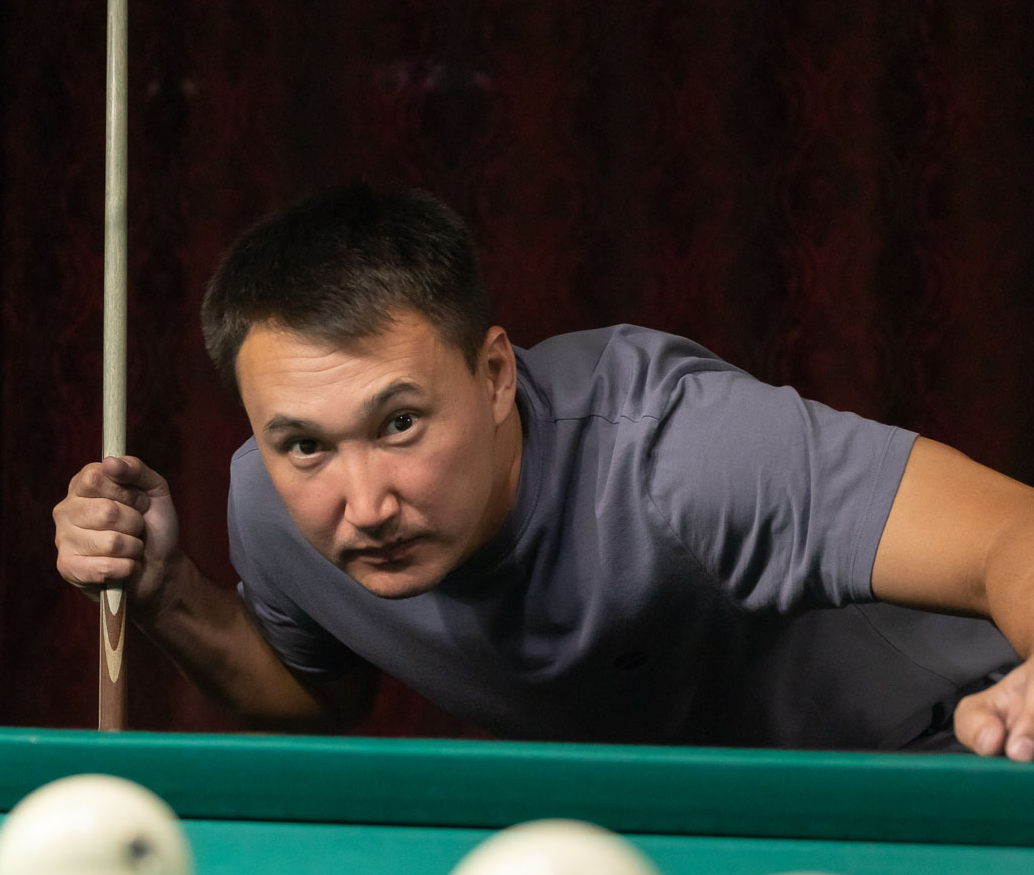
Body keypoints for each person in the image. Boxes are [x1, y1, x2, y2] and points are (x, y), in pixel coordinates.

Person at [52, 183, 1034, 758]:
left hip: (958, 749)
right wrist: (166, 594)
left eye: (400, 423)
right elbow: (318, 694)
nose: (364, 504)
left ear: (492, 377)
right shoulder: (273, 508)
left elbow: (1011, 532)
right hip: (702, 836)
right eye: (304, 443)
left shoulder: (679, 451)